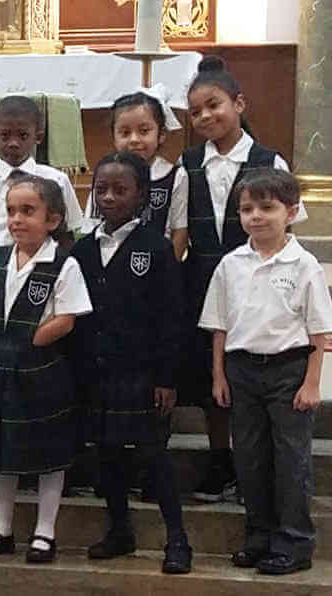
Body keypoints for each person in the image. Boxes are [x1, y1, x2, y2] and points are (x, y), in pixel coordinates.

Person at [179, 55, 303, 504]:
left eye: (214, 105)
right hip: (204, 280)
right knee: (213, 379)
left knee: (251, 371)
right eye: (195, 112)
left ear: (239, 102)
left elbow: (291, 225)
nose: (206, 117)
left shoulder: (270, 160)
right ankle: (220, 458)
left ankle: (260, 466)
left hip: (259, 280)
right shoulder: (187, 162)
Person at [200, 169, 331, 576]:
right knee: (251, 460)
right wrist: (219, 376)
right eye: (247, 209)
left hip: (289, 371)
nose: (256, 216)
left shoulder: (304, 264)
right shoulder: (230, 264)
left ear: (291, 212)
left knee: (291, 460)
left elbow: (318, 331)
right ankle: (258, 536)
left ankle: (294, 543)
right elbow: (219, 326)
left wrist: (312, 383)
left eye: (267, 207)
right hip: (242, 370)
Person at [71, 152, 192, 574]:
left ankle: (178, 538)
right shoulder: (83, 250)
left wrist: (166, 377)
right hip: (97, 374)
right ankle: (119, 529)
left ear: (142, 196)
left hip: (141, 375)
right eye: (101, 189)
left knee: (153, 456)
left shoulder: (155, 249)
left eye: (120, 190)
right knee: (107, 456)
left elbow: (171, 318)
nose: (108, 197)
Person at [0, 173, 92, 564]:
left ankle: (44, 531)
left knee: (46, 453)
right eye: (10, 211)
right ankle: (1, 528)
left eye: (27, 211)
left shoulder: (63, 264)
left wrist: (28, 340)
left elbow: (67, 317)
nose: (16, 219)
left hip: (41, 373)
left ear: (52, 220)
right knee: (1, 449)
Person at [0, 96, 85, 278]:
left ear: (38, 137)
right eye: (5, 135)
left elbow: (67, 237)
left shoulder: (57, 180)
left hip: (45, 272)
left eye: (23, 135)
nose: (13, 143)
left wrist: (64, 275)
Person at [82, 86, 188, 260]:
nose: (134, 140)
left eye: (144, 131)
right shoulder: (104, 174)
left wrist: (168, 271)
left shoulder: (175, 176)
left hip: (155, 266)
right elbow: (91, 225)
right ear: (113, 136)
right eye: (124, 133)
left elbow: (180, 232)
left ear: (161, 134)